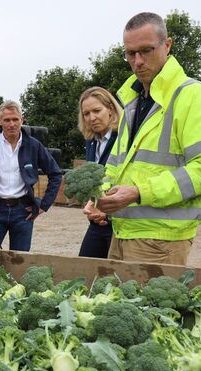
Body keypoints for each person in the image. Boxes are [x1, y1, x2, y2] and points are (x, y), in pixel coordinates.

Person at [90, 12, 201, 265]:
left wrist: (138, 193)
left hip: (161, 240)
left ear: (167, 45)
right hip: (121, 234)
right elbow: (116, 165)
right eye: (130, 54)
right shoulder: (132, 101)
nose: (138, 61)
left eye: (146, 51)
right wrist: (100, 197)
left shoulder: (197, 98)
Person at [0, 100, 62, 251]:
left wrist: (44, 205)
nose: (12, 124)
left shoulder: (33, 145)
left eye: (15, 119)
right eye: (7, 120)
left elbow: (55, 173)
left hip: (23, 212)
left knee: (20, 261)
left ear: (22, 119)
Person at [77, 87, 123, 258]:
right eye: (86, 114)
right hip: (97, 221)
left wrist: (106, 209)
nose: (92, 118)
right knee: (85, 270)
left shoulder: (124, 138)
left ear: (110, 109)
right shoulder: (91, 142)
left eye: (97, 110)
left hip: (120, 222)